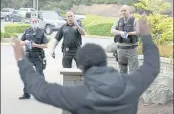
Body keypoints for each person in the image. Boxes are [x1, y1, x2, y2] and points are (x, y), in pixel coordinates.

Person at [12, 15, 160, 114]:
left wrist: (21, 59)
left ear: (81, 68)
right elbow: (152, 65)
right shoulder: (132, 84)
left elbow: (38, 88)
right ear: (104, 61)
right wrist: (146, 36)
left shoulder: (77, 95)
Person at [18, 17, 48, 99]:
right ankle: (26, 93)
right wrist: (25, 42)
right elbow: (20, 42)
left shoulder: (41, 32)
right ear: (31, 22)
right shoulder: (27, 31)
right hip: (28, 56)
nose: (34, 22)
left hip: (38, 56)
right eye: (33, 21)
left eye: (35, 21)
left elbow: (46, 45)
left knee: (40, 74)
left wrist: (36, 45)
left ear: (38, 22)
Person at [111, 5, 139, 74]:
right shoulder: (118, 20)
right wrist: (120, 32)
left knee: (134, 70)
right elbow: (112, 30)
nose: (123, 12)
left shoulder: (135, 20)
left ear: (129, 10)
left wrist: (127, 34)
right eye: (122, 11)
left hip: (132, 50)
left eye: (125, 10)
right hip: (120, 50)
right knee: (122, 71)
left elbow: (138, 32)